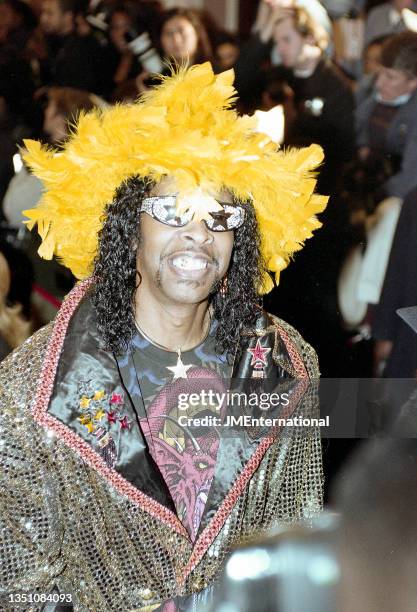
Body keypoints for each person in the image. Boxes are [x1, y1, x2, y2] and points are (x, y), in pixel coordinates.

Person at [0, 63, 327, 608]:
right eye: (172, 211)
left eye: (220, 216)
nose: (198, 236)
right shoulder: (26, 394)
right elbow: (19, 586)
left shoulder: (288, 364)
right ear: (129, 227)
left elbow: (295, 540)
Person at [39, 0, 109, 95]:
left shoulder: (81, 48)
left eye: (49, 13)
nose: (43, 19)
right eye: (42, 12)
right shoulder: (49, 41)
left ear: (68, 17)